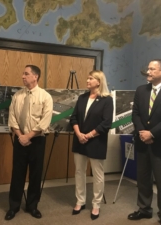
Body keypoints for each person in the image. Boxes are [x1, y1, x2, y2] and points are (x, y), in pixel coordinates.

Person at [128, 59, 161, 225]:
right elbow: (135, 114)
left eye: (152, 69)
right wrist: (142, 133)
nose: (148, 72)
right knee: (143, 180)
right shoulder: (141, 90)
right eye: (148, 69)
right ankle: (144, 210)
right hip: (142, 143)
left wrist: (151, 133)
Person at [5, 65, 53, 220]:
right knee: (17, 174)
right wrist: (21, 136)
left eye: (26, 74)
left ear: (35, 76)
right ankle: (13, 206)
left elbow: (45, 121)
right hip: (20, 140)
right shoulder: (17, 96)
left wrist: (29, 136)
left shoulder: (45, 96)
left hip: (37, 141)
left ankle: (32, 206)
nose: (22, 76)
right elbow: (12, 118)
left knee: (35, 174)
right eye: (23, 73)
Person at [70, 70, 113, 220]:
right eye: (87, 78)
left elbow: (106, 123)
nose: (87, 81)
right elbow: (73, 118)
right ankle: (80, 201)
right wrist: (79, 134)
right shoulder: (82, 98)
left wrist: (88, 135)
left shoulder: (107, 100)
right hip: (79, 140)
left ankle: (96, 205)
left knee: (98, 175)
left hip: (96, 141)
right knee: (79, 172)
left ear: (99, 82)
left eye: (91, 78)